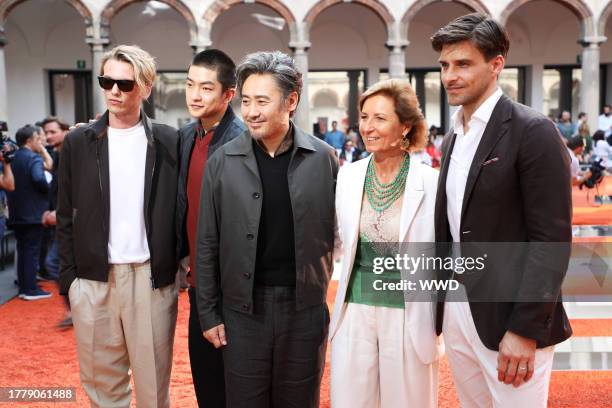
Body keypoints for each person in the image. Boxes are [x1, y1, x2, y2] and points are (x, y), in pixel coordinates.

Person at [431, 13, 572, 407]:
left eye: (463, 64)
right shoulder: (453, 136)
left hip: (511, 317)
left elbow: (552, 240)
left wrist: (524, 328)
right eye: (444, 65)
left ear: (496, 65)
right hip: (460, 309)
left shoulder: (533, 131)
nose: (449, 76)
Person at [195, 51, 339, 408]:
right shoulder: (222, 161)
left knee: (300, 400)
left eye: (262, 101)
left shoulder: (323, 159)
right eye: (246, 101)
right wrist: (209, 313)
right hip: (243, 311)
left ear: (291, 101)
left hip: (304, 309)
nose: (251, 111)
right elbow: (207, 242)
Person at [57, 45, 180, 407]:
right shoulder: (78, 142)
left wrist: (179, 264)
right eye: (106, 81)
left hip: (151, 279)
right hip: (93, 280)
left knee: (153, 388)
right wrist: (70, 281)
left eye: (124, 84)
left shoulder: (169, 140)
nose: (113, 91)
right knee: (101, 387)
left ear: (146, 87)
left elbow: (180, 206)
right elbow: (65, 213)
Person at [329, 79, 443, 407]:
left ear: (406, 125)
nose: (368, 127)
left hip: (410, 313)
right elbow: (336, 240)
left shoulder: (431, 182)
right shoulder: (348, 177)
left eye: (379, 118)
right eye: (364, 117)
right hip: (355, 310)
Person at [176, 49, 246, 408]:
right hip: (198, 286)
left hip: (234, 290)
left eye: (205, 88)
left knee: (237, 389)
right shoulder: (187, 136)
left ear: (228, 94)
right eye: (190, 85)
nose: (195, 95)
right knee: (207, 386)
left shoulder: (241, 141)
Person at [6, 125, 51, 300]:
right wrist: (49, 188)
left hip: (17, 212)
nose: (40, 141)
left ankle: (25, 287)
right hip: (33, 213)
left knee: (23, 250)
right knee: (31, 252)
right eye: (37, 139)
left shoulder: (12, 158)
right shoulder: (33, 158)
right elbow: (39, 179)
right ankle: (31, 289)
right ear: (29, 140)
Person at [41, 116, 72, 327]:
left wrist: (57, 213)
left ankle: (76, 309)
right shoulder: (57, 155)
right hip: (61, 220)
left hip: (71, 221)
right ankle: (74, 309)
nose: (48, 136)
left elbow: (74, 191)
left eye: (53, 131)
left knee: (54, 263)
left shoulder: (71, 154)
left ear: (64, 130)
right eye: (46, 132)